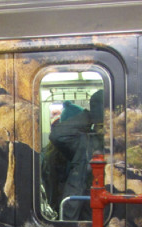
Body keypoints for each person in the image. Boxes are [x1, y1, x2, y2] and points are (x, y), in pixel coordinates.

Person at [41, 92, 103, 220]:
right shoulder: (85, 142)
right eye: (99, 124)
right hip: (80, 206)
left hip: (96, 205)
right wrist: (92, 115)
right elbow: (58, 135)